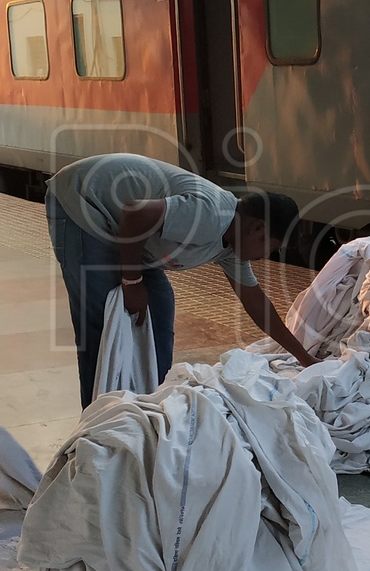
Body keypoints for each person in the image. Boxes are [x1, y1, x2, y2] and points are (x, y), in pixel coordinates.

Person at [46, 152, 318, 408]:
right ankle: (97, 420)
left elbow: (258, 305)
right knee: (102, 320)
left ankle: (153, 401)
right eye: (271, 247)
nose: (268, 256)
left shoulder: (231, 247)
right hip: (85, 202)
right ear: (257, 228)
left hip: (133, 235)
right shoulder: (211, 216)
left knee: (160, 305)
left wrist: (306, 359)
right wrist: (132, 282)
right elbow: (134, 214)